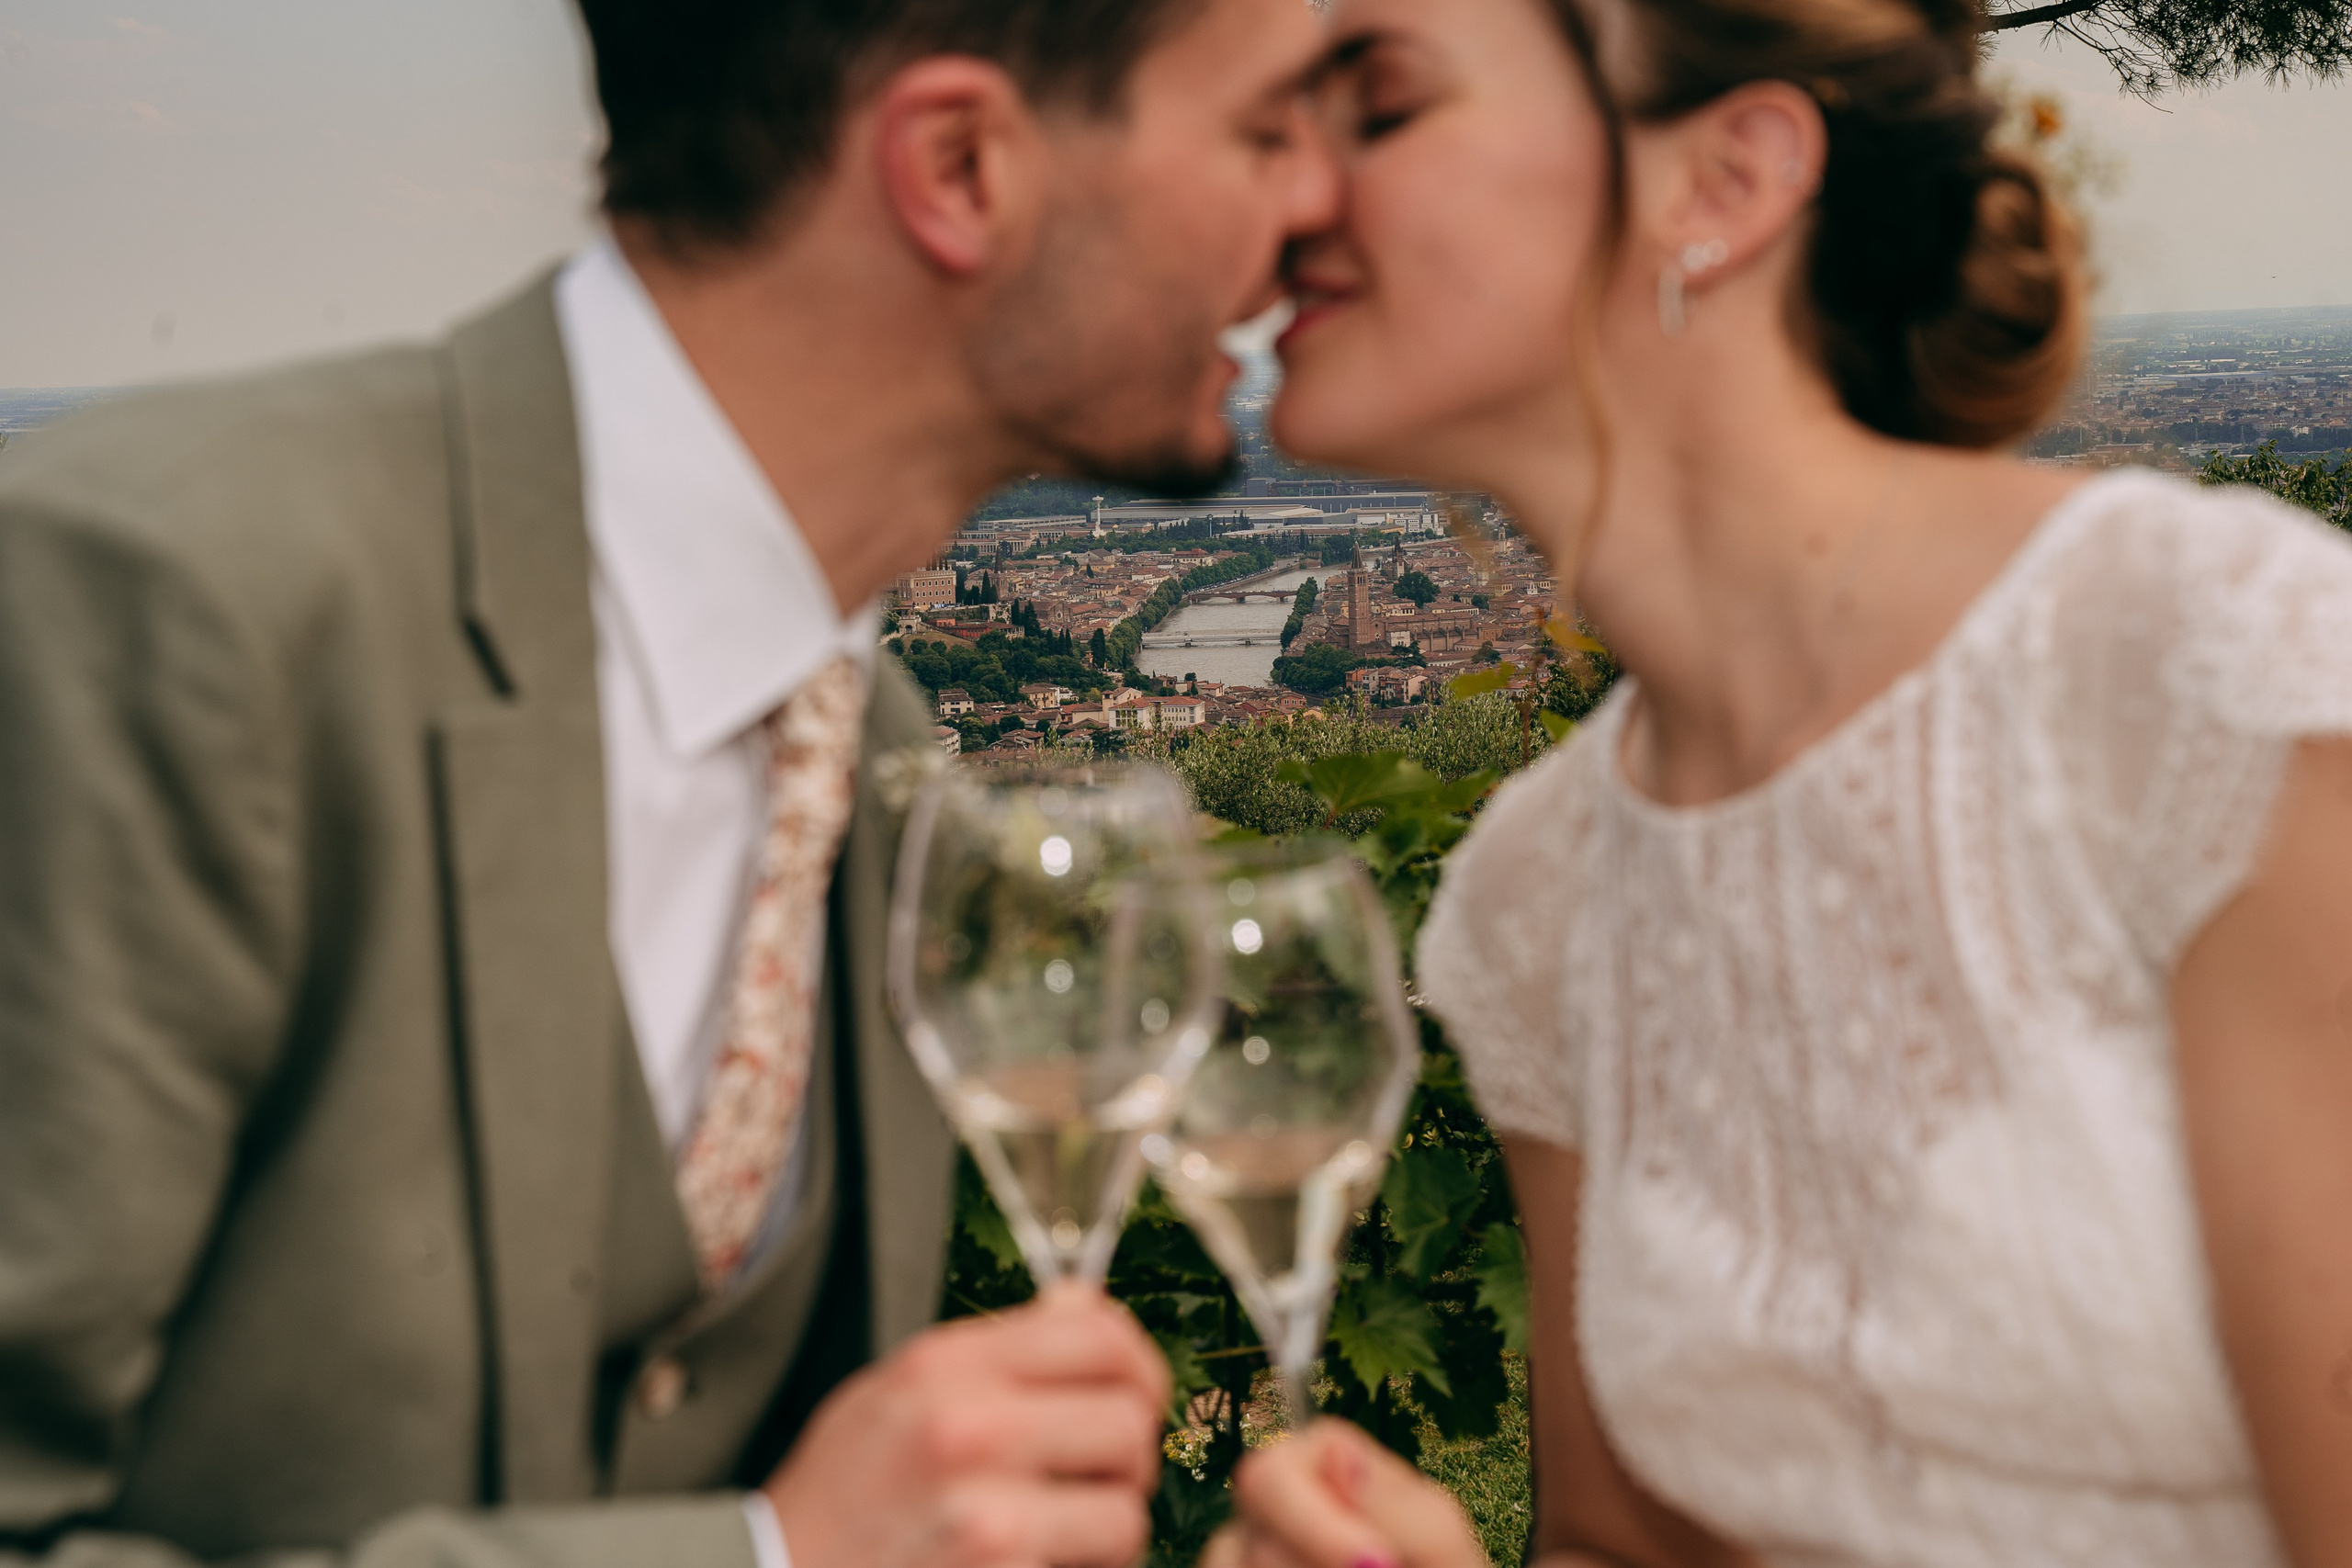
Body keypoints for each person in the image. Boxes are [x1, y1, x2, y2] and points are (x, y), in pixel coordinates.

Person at [0, 2, 1338, 1565]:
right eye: (1264, 132)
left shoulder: (881, 757)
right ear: (961, 169)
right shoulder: (166, 600)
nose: (1319, 204)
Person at [1213, 0, 2352, 1565]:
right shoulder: (1537, 899)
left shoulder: (2212, 683)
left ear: (1725, 181)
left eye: (1383, 104)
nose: (1280, 190)